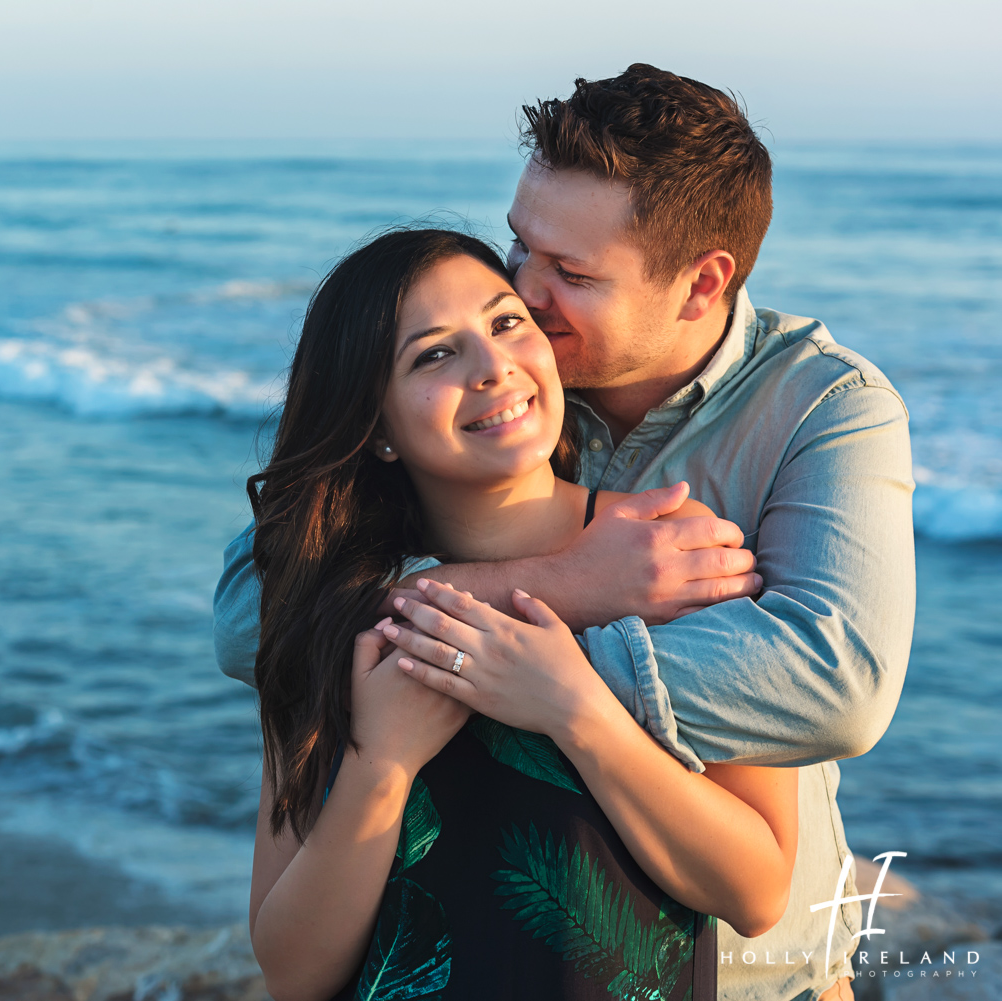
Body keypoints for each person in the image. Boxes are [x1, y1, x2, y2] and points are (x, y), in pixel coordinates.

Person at [218, 65, 915, 1001]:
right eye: (520, 250)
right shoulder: (517, 428)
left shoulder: (764, 471)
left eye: (567, 277)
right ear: (374, 426)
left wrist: (557, 687)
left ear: (702, 284)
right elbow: (252, 625)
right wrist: (569, 584)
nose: (524, 309)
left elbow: (836, 691)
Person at [250, 229, 800, 1001]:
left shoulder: (681, 561)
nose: (493, 366)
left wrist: (578, 712)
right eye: (434, 355)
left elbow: (756, 891)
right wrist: (382, 766)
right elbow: (292, 973)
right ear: (375, 429)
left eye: (508, 322)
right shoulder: (333, 612)